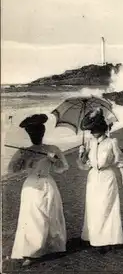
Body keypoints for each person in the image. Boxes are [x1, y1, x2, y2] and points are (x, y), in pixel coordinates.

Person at [9, 114, 70, 267]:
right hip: (31, 186)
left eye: (37, 132)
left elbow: (62, 167)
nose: (35, 136)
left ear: (42, 133)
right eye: (32, 133)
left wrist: (54, 159)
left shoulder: (52, 149)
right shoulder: (25, 151)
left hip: (47, 183)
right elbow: (12, 170)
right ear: (30, 135)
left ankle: (53, 246)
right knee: (32, 218)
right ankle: (31, 252)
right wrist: (22, 158)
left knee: (51, 215)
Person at [77, 108, 123, 254]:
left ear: (101, 128)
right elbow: (84, 164)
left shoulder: (112, 142)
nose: (92, 133)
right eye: (90, 130)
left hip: (107, 178)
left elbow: (120, 161)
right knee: (94, 209)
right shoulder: (89, 143)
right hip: (93, 178)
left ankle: (107, 240)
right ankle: (95, 238)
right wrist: (82, 154)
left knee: (106, 208)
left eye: (94, 129)